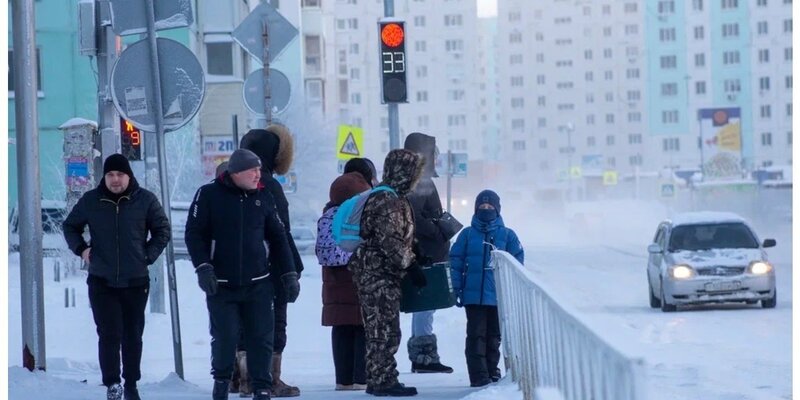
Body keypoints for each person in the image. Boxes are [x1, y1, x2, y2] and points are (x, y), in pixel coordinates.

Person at [184, 149, 300, 400]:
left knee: (261, 338)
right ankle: (222, 383)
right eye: (253, 170)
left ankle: (261, 388)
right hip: (221, 285)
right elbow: (193, 234)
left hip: (258, 283)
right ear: (235, 173)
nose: (259, 174)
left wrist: (289, 274)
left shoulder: (263, 196)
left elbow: (279, 239)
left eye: (259, 169)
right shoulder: (208, 195)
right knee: (225, 338)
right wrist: (203, 267)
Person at [63, 154, 171, 400]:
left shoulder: (145, 200)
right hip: (102, 280)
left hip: (135, 281)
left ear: (129, 176)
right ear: (105, 176)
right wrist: (82, 249)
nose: (115, 179)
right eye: (110, 174)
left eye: (120, 175)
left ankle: (131, 383)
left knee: (133, 335)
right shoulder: (92, 200)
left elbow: (162, 229)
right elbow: (70, 226)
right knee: (109, 333)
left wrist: (148, 255)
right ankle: (112, 383)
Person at [349, 149, 428, 397]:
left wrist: (415, 250)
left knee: (383, 328)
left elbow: (398, 234)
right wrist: (411, 264)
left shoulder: (394, 197)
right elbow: (389, 241)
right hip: (377, 276)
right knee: (382, 330)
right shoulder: (386, 199)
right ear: (403, 172)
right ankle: (382, 381)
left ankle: (381, 377)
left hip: (382, 274)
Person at [240, 125, 303, 397]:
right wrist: (292, 269)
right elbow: (281, 231)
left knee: (239, 322)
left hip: (233, 267)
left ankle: (240, 378)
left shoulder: (225, 179)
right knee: (274, 323)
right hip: (270, 268)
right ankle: (269, 378)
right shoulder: (268, 184)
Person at [449, 190, 524, 388]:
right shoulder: (467, 234)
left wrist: (512, 291)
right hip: (473, 296)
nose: (486, 209)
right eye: (482, 207)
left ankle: (492, 372)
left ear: (497, 209)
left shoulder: (507, 235)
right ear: (476, 208)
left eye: (490, 207)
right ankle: (478, 376)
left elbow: (517, 264)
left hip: (498, 296)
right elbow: (455, 262)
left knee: (494, 337)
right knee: (476, 336)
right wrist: (456, 288)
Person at [402, 132, 454, 373]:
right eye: (433, 152)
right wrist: (436, 229)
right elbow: (415, 216)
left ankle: (422, 356)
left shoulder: (415, 178)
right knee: (426, 304)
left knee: (426, 305)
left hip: (427, 251)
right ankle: (424, 357)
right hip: (426, 252)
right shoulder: (418, 180)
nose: (436, 156)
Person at [315, 172, 372, 391]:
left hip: (333, 285)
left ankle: (343, 379)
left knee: (340, 330)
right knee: (361, 328)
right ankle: (360, 378)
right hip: (355, 281)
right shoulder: (354, 217)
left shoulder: (327, 216)